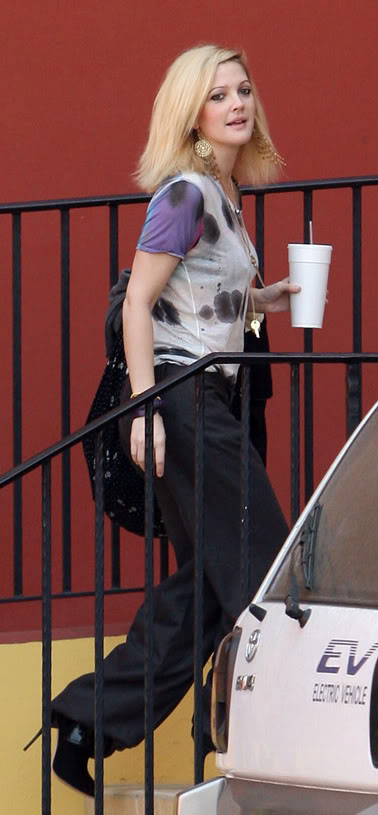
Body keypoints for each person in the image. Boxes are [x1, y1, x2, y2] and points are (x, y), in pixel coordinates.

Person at [47, 43, 297, 797]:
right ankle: (257, 739)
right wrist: (146, 409)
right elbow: (138, 303)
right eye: (218, 95)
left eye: (243, 90)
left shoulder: (223, 195)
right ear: (192, 115)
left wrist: (260, 299)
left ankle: (89, 721)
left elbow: (199, 296)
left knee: (212, 585)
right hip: (183, 400)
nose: (237, 104)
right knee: (263, 566)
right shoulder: (185, 195)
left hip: (205, 396)